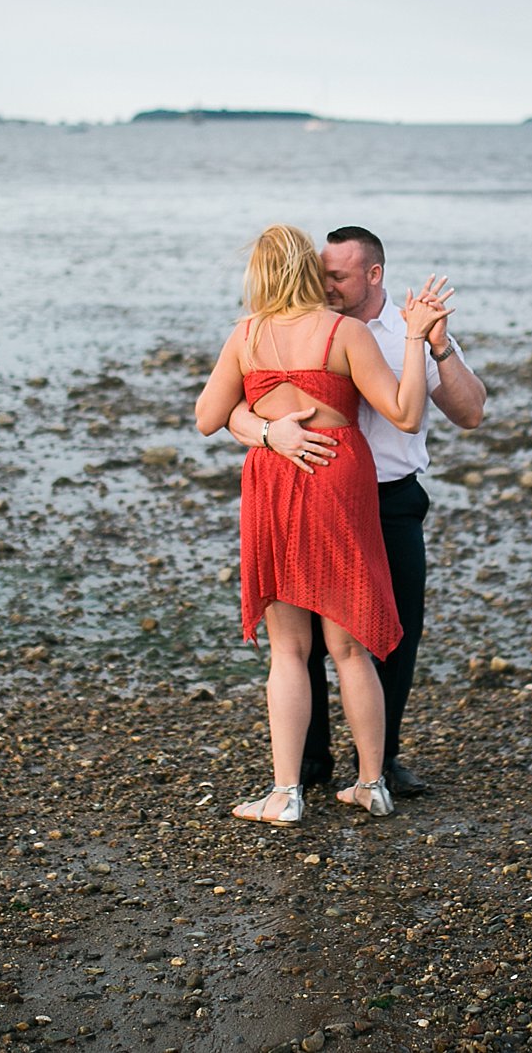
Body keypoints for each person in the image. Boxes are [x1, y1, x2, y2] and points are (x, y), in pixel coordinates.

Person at [194, 225, 453, 825]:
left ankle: (286, 795)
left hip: (274, 482)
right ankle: (371, 783)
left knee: (288, 648)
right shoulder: (346, 333)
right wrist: (415, 338)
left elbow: (207, 417)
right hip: (339, 479)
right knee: (349, 646)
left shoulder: (246, 336)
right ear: (308, 272)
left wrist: (263, 426)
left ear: (259, 275)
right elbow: (407, 414)